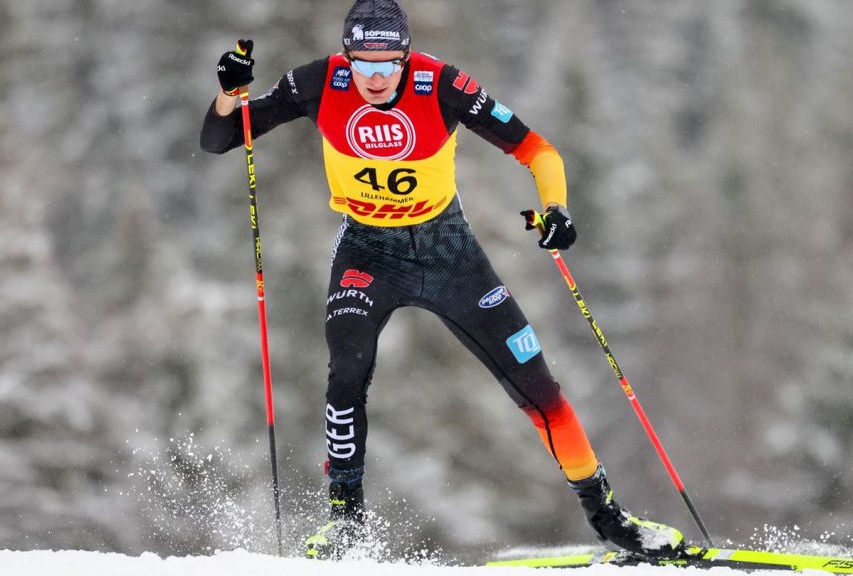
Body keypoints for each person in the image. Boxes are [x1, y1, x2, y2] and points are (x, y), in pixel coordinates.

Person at [201, 0, 684, 560]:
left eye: (388, 64)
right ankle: (346, 526)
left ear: (407, 58)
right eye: (363, 64)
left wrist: (556, 209)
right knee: (346, 373)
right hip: (367, 250)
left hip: (448, 251)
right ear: (347, 57)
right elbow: (220, 138)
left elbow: (537, 150)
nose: (376, 77)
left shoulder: (442, 84)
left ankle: (609, 518)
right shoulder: (318, 82)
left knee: (539, 389)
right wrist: (228, 92)